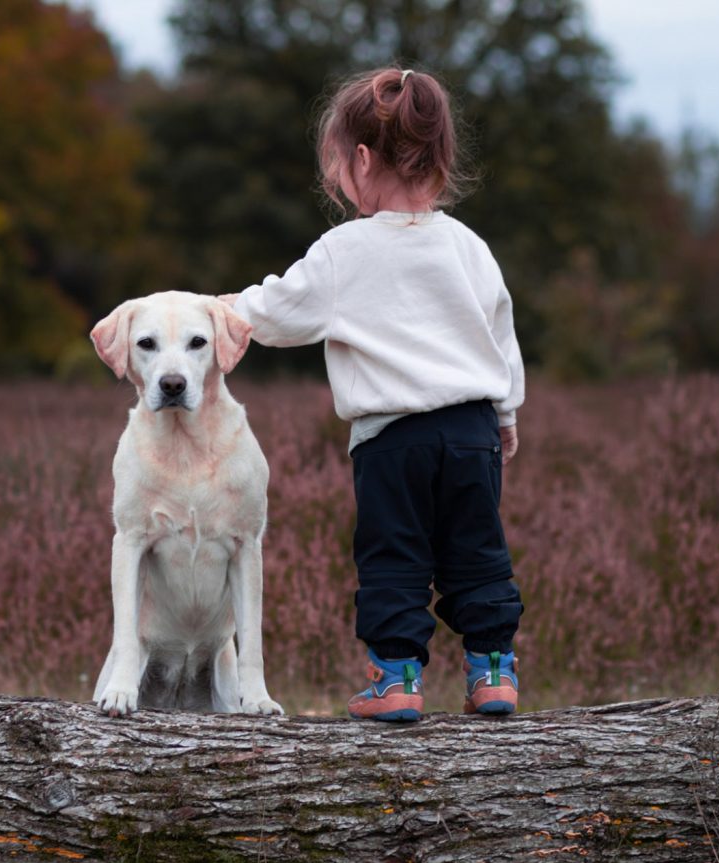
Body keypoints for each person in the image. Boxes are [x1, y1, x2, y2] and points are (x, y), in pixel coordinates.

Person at [223, 66, 526, 722]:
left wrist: (218, 311)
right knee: (478, 549)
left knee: (395, 554)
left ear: (361, 159)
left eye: (336, 163)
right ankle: (494, 670)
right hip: (473, 428)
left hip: (394, 439)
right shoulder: (469, 246)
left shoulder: (344, 252)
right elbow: (501, 334)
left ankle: (396, 681)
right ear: (440, 157)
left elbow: (274, 311)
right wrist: (505, 415)